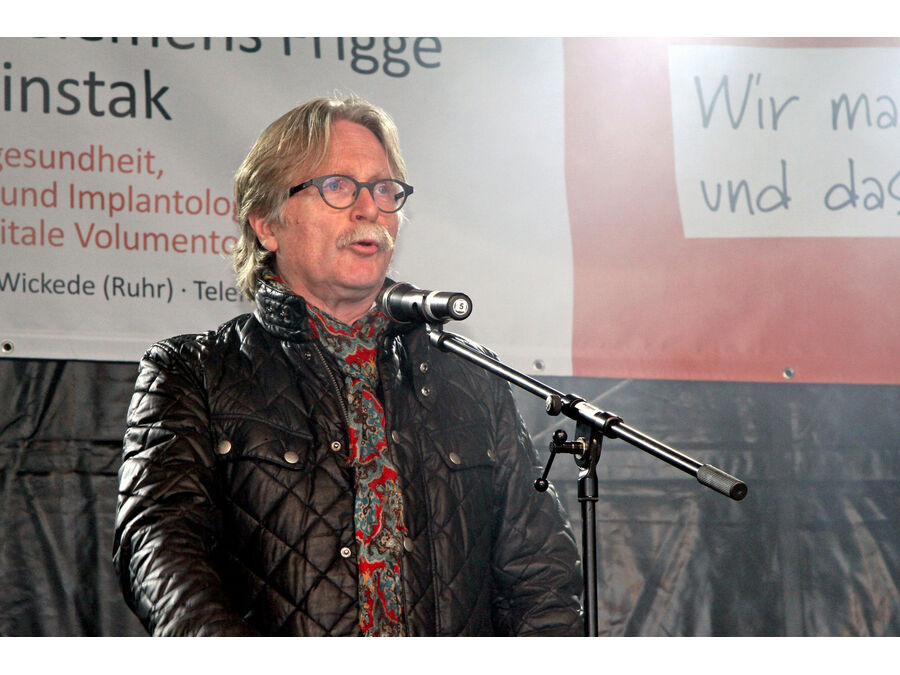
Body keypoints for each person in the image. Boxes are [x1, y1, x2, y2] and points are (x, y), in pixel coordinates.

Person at [113, 95, 583, 636]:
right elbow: (158, 553)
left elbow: (541, 580)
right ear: (266, 224)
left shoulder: (470, 377)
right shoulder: (191, 374)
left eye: (383, 189)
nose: (368, 209)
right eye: (337, 186)